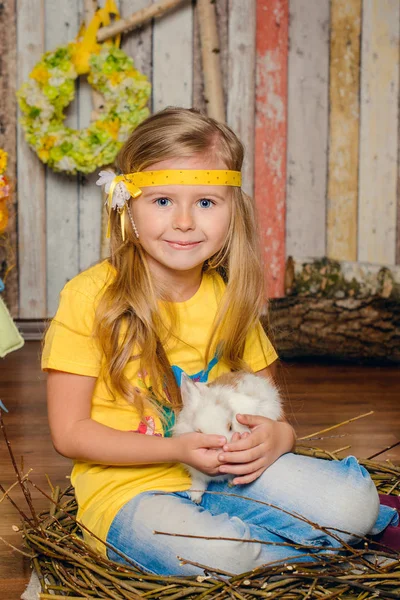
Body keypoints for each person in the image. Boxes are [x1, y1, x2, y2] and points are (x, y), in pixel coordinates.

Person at [42, 107, 397, 576]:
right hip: (131, 493)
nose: (185, 222)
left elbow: (271, 413)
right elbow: (70, 433)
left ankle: (285, 538)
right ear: (127, 205)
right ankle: (320, 554)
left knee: (354, 500)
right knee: (215, 551)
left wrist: (280, 437)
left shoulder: (229, 296)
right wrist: (176, 450)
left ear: (233, 209)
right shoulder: (90, 297)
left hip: (228, 476)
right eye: (163, 201)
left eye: (206, 202)